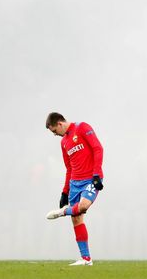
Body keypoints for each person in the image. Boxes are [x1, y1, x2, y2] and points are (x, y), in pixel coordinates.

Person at [44, 112, 104, 266]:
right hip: (74, 183)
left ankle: (62, 212)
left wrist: (96, 174)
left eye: (54, 131)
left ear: (59, 124)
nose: (55, 135)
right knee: (76, 218)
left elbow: (98, 148)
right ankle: (86, 259)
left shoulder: (82, 128)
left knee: (83, 206)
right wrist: (64, 192)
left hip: (90, 179)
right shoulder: (63, 142)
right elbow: (69, 168)